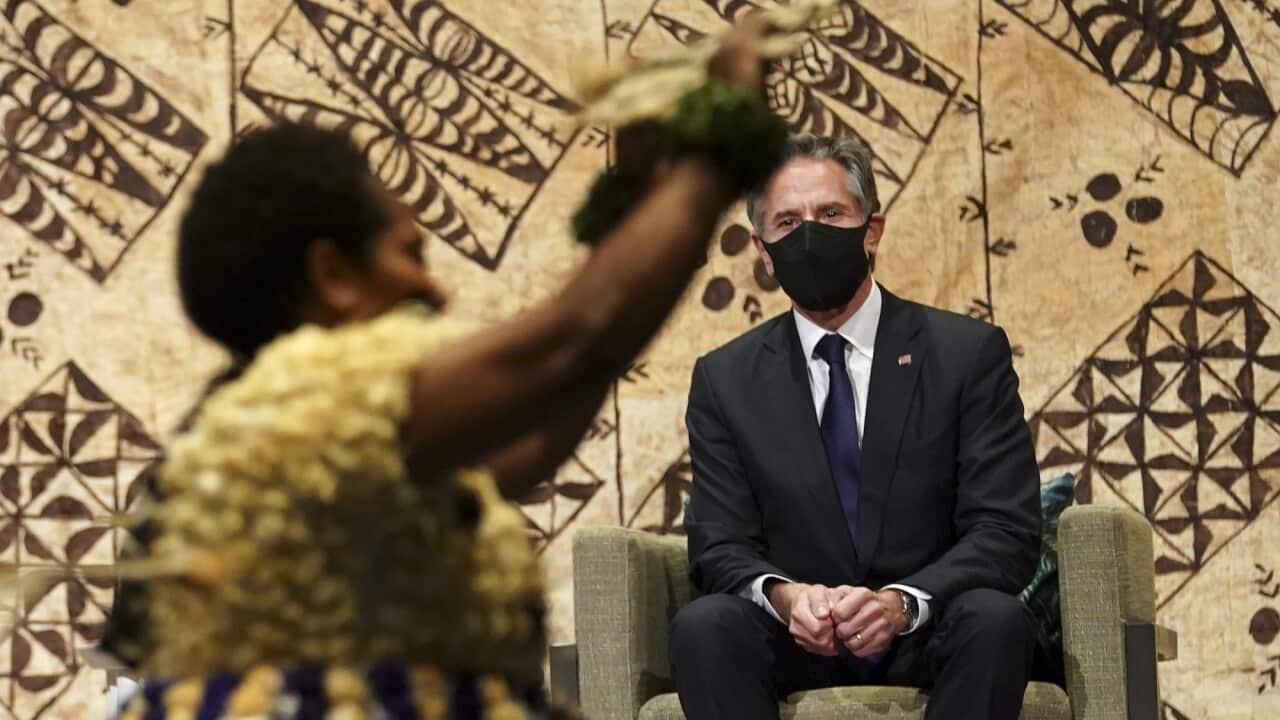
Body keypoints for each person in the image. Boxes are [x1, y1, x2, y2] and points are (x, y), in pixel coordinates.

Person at [101, 16, 785, 719]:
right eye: (410, 255)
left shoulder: (347, 443)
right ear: (334, 275)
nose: (437, 291)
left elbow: (549, 415)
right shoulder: (303, 410)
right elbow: (576, 339)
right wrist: (720, 143)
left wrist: (643, 211)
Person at [671, 133, 1042, 720]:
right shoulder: (725, 380)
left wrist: (900, 603)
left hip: (927, 630)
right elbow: (718, 542)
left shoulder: (966, 355)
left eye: (830, 213)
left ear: (872, 229)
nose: (810, 234)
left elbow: (1005, 528)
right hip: (796, 640)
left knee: (997, 620)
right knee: (704, 626)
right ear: (764, 252)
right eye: (788, 222)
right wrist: (788, 598)